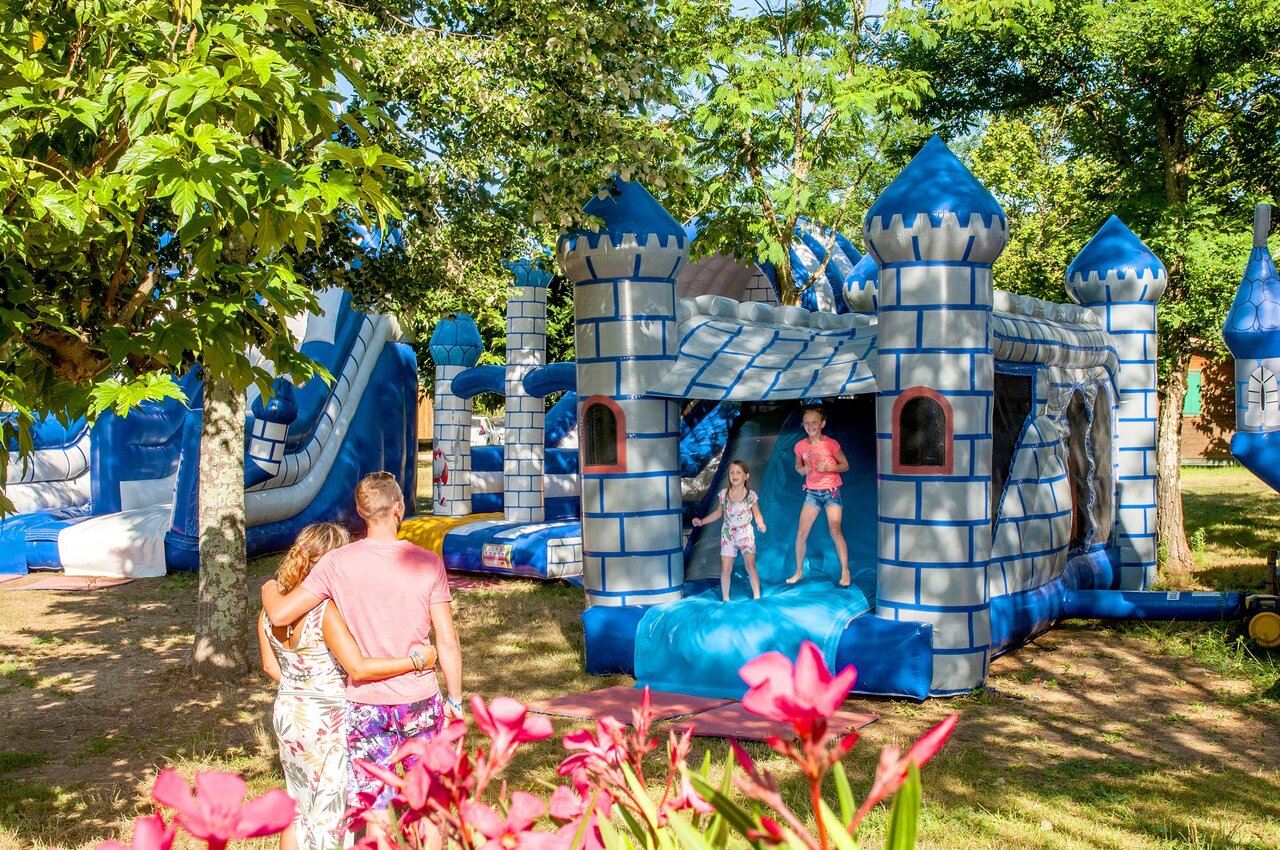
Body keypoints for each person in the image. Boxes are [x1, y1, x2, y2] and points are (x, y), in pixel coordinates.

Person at [261, 472, 463, 825]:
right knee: (431, 802)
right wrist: (455, 700)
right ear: (398, 508)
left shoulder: (335, 564)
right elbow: (447, 639)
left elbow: (279, 613)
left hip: (365, 704)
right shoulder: (428, 563)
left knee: (376, 806)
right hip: (420, 698)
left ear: (360, 510)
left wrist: (268, 586)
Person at [258, 522, 438, 850]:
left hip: (289, 712)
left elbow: (271, 667)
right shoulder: (324, 612)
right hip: (329, 717)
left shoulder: (271, 611)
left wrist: (303, 689)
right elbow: (358, 667)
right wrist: (417, 661)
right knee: (332, 808)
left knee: (297, 804)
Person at [789, 405, 852, 587]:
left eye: (814, 422)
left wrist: (831, 468)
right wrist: (802, 469)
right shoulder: (800, 446)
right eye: (807, 423)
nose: (811, 426)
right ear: (803, 425)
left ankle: (845, 572)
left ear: (822, 423)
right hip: (812, 494)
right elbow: (797, 466)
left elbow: (845, 465)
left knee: (835, 530)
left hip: (831, 492)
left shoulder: (830, 444)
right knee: (801, 533)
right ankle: (799, 571)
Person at [693, 459, 766, 601]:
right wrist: (702, 521)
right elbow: (718, 513)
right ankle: (726, 598)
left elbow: (757, 514)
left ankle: (757, 596)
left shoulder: (750, 496)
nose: (734, 475)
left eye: (738, 472)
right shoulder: (724, 494)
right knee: (726, 568)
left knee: (750, 565)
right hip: (728, 533)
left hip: (745, 533)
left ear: (746, 476)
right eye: (731, 472)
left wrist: (760, 524)